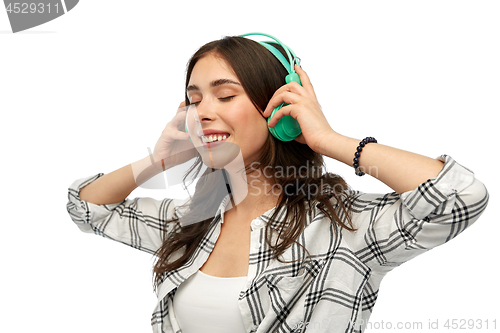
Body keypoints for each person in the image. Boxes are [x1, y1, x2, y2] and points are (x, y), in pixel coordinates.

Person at [66, 33, 489, 333]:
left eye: (225, 95)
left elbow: (459, 195)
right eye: (194, 100)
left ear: (278, 106)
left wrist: (330, 140)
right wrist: (158, 162)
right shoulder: (189, 223)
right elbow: (86, 206)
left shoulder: (345, 228)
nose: (203, 112)